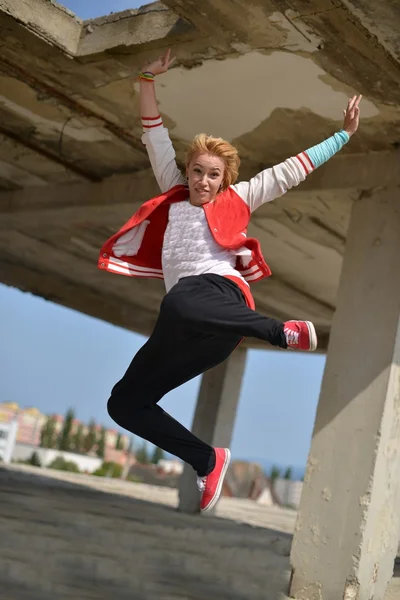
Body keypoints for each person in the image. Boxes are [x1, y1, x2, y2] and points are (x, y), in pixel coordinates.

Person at [99, 49, 361, 512]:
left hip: (221, 300)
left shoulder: (238, 198)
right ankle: (206, 460)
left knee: (180, 299)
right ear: (187, 171)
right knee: (124, 403)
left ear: (225, 180)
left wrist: (341, 135)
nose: (202, 180)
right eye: (196, 171)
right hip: (191, 328)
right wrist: (145, 78)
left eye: (212, 174)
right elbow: (153, 133)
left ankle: (282, 331)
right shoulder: (173, 191)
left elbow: (289, 172)